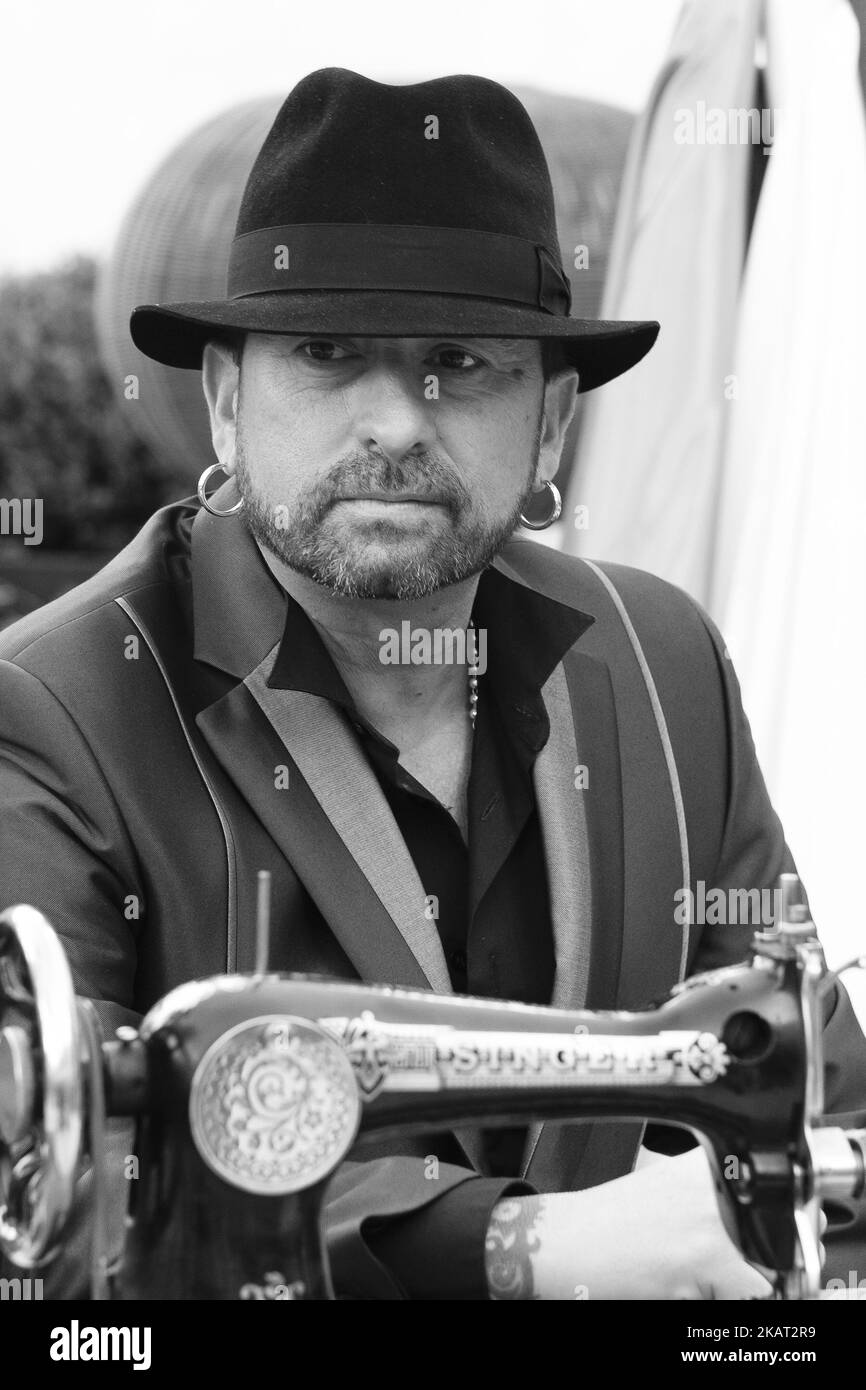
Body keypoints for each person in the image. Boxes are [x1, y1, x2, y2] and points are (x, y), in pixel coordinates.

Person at [1, 67, 864, 1301]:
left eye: (460, 361)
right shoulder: (53, 709)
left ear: (552, 424)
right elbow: (64, 1201)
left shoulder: (663, 658)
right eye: (327, 353)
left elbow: (814, 1094)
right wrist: (519, 1252)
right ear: (229, 406)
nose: (397, 422)